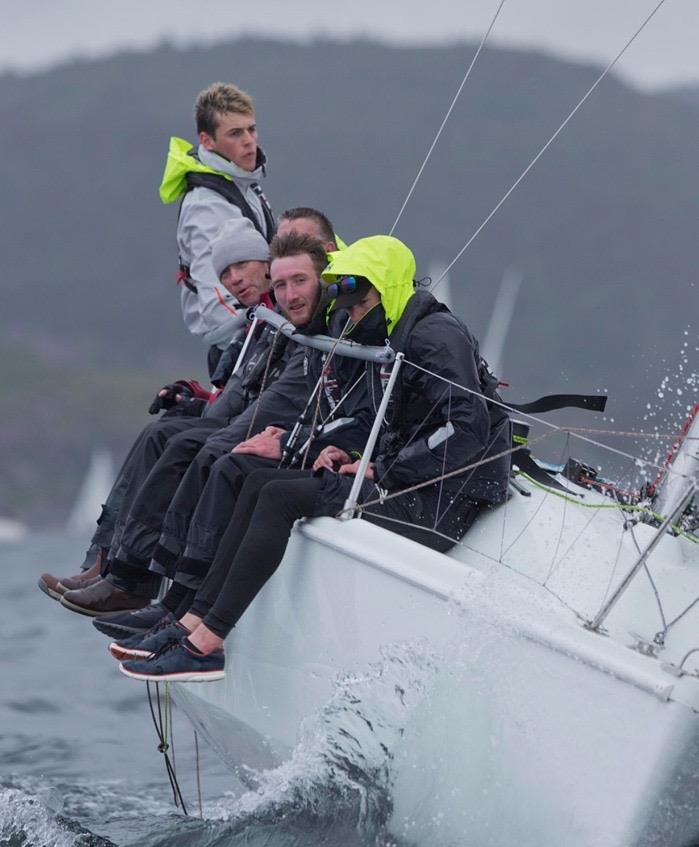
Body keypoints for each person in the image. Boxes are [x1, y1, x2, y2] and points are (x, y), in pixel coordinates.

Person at [117, 235, 512, 681]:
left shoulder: (432, 337)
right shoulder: (391, 329)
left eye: (360, 307)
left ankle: (207, 643)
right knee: (257, 482)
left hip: (445, 498)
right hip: (411, 478)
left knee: (278, 498)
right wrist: (346, 449)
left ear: (383, 290)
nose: (353, 317)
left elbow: (467, 428)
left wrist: (383, 466)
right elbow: (379, 419)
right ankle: (192, 624)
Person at [39, 209, 337, 608]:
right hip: (248, 421)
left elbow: (281, 397)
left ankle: (150, 586)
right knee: (161, 432)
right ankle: (108, 560)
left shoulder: (319, 317)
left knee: (194, 448)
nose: (235, 279)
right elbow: (241, 390)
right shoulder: (269, 318)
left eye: (243, 266)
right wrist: (196, 403)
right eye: (226, 272)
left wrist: (223, 431)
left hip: (285, 437)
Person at [160, 81, 275, 355]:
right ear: (207, 141)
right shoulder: (206, 207)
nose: (248, 141)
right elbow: (216, 302)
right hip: (241, 350)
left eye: (251, 129)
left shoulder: (243, 183)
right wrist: (259, 351)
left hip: (266, 323)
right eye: (235, 133)